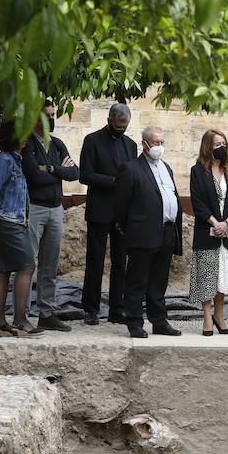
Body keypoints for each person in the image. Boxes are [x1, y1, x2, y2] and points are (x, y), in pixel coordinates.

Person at [113, 125, 184, 340]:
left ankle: (159, 320)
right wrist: (130, 228)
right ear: (145, 144)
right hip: (142, 232)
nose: (159, 147)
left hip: (167, 231)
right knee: (137, 279)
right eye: (156, 143)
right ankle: (134, 321)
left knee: (159, 279)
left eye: (162, 143)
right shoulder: (131, 168)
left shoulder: (167, 168)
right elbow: (121, 206)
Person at [17, 98, 78, 331]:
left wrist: (51, 169)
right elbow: (33, 176)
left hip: (56, 208)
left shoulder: (58, 144)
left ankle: (46, 312)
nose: (52, 119)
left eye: (53, 115)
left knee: (50, 264)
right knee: (27, 262)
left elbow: (75, 173)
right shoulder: (28, 144)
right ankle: (21, 314)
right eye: (47, 115)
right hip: (35, 207)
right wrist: (59, 171)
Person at [0, 120, 41, 339]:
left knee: (4, 269)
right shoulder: (5, 160)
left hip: (11, 220)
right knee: (27, 266)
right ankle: (21, 319)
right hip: (7, 221)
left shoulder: (16, 160)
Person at [78, 103, 138, 325]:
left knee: (120, 262)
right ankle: (91, 308)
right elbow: (85, 175)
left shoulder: (131, 145)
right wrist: (113, 182)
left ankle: (116, 308)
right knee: (95, 260)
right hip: (100, 209)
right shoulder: (92, 141)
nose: (122, 130)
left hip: (122, 212)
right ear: (110, 121)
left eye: (125, 126)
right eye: (119, 125)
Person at [188, 129, 228, 336]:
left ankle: (220, 316)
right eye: (217, 144)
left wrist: (227, 223)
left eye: (224, 144)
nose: (222, 147)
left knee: (223, 277)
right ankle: (207, 317)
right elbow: (198, 203)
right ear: (207, 147)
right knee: (207, 276)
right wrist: (215, 223)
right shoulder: (197, 171)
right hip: (206, 230)